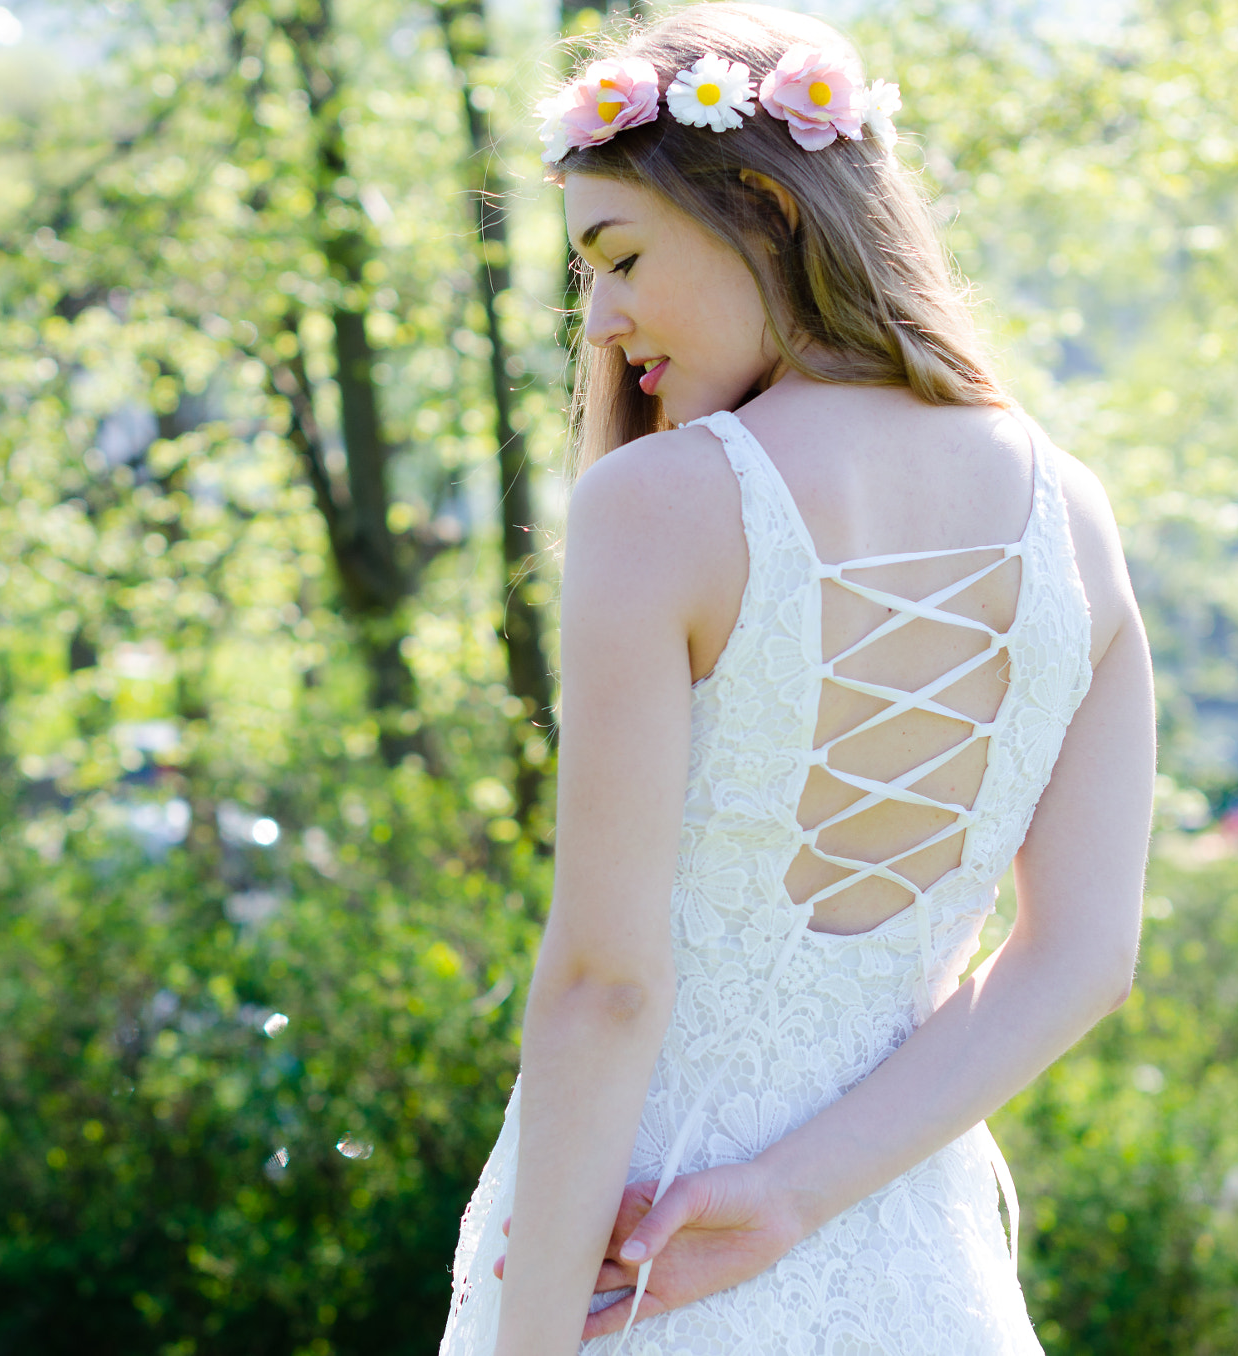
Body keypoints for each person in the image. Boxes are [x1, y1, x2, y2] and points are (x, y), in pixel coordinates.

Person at [438, 5, 1155, 1354]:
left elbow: (608, 982)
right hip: (915, 1268)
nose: (597, 321)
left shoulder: (663, 504)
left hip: (628, 1258)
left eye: (621, 255)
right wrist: (786, 1197)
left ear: (764, 206)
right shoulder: (1074, 510)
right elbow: (1080, 959)